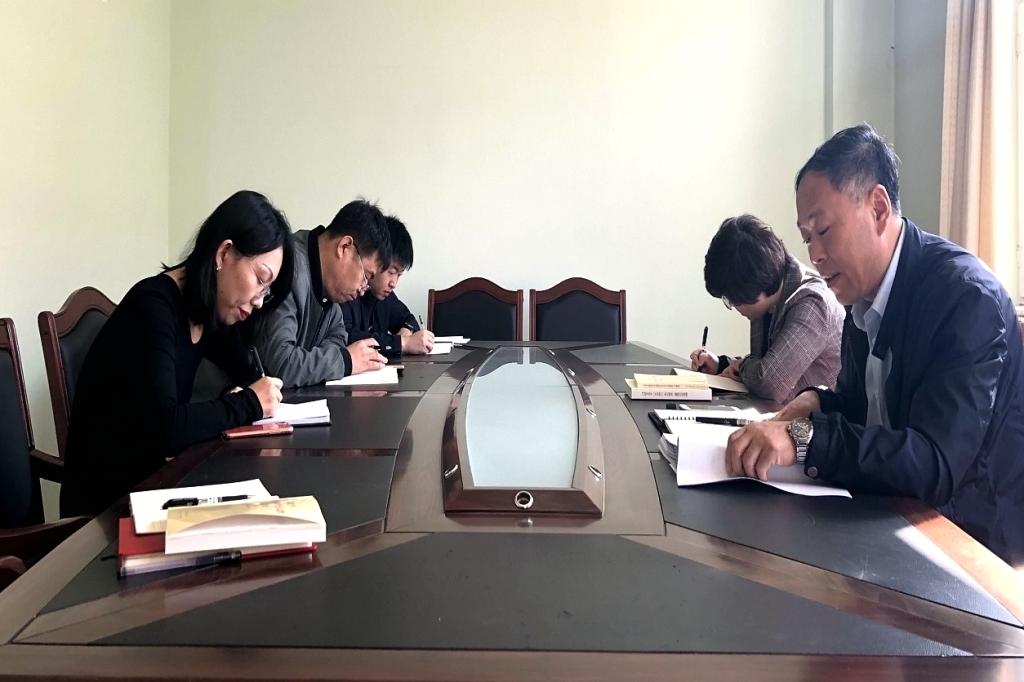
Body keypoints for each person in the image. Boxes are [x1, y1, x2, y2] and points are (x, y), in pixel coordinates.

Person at [724, 124, 1024, 565]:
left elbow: (935, 464)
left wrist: (803, 438)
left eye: (824, 230)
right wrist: (817, 401)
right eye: (807, 238)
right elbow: (863, 409)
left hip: (967, 544)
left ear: (878, 208)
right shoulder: (861, 300)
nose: (814, 255)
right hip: (894, 515)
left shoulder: (965, 297)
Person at [61, 190, 293, 516]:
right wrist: (249, 402)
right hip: (107, 510)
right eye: (260, 279)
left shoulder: (206, 309)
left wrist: (250, 389)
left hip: (156, 485)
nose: (258, 300)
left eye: (266, 291)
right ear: (224, 253)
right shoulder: (153, 307)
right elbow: (166, 429)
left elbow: (250, 373)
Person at [690, 214, 844, 403]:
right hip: (777, 414)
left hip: (810, 420)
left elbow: (770, 383)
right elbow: (767, 365)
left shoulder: (813, 302)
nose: (735, 307)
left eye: (734, 300)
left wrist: (742, 365)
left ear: (753, 286)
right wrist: (721, 364)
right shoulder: (772, 298)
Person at [252, 198, 393, 388]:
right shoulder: (289, 268)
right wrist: (345, 361)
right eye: (366, 276)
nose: (362, 289)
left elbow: (337, 336)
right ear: (344, 247)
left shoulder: (329, 290)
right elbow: (281, 365)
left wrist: (321, 363)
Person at [341, 216, 435, 356]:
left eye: (399, 275)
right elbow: (346, 336)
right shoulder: (346, 291)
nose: (394, 283)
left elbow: (409, 319)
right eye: (392, 272)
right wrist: (402, 343)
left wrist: (406, 330)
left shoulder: (384, 296)